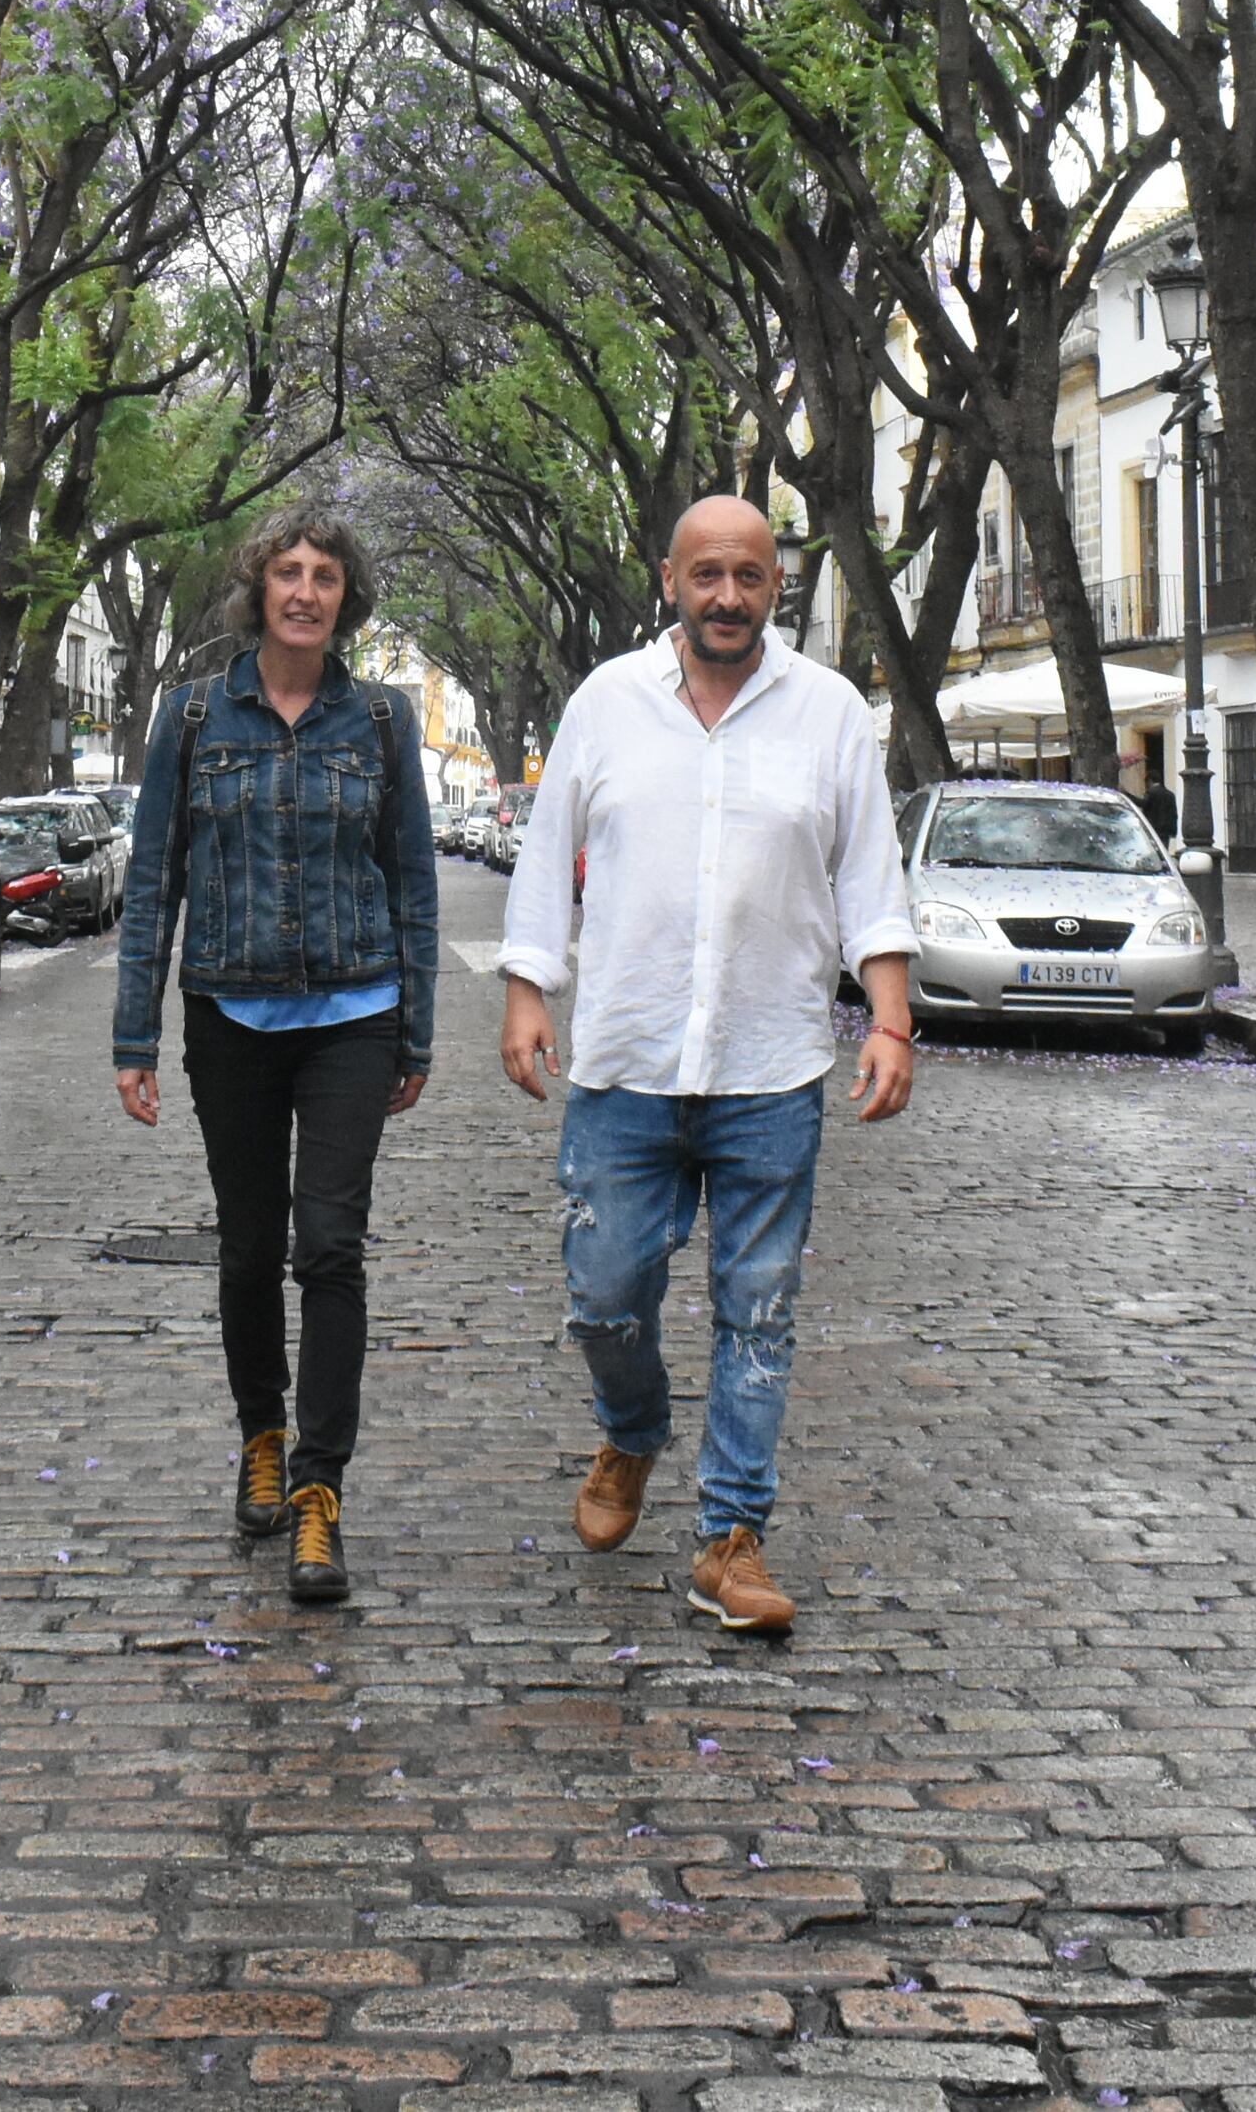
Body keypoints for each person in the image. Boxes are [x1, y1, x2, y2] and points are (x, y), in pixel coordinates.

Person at [498, 497, 917, 1639]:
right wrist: (527, 990)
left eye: (747, 576)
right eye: (706, 575)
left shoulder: (830, 714)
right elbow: (545, 857)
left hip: (770, 1063)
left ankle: (731, 1536)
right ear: (670, 579)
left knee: (759, 1310)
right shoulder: (604, 703)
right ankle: (630, 1430)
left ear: (775, 585)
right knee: (605, 1296)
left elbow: (870, 880)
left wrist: (888, 1020)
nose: (726, 596)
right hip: (625, 1059)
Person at [111, 512, 440, 1609]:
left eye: (326, 577)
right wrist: (134, 1034)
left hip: (353, 1015)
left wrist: (417, 1027)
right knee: (249, 1250)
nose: (304, 592)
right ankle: (261, 1429)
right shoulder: (193, 716)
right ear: (257, 589)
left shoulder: (382, 722)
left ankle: (317, 1490)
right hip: (231, 1016)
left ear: (348, 597)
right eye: (286, 574)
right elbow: (153, 879)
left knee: (330, 1249)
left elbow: (412, 888)